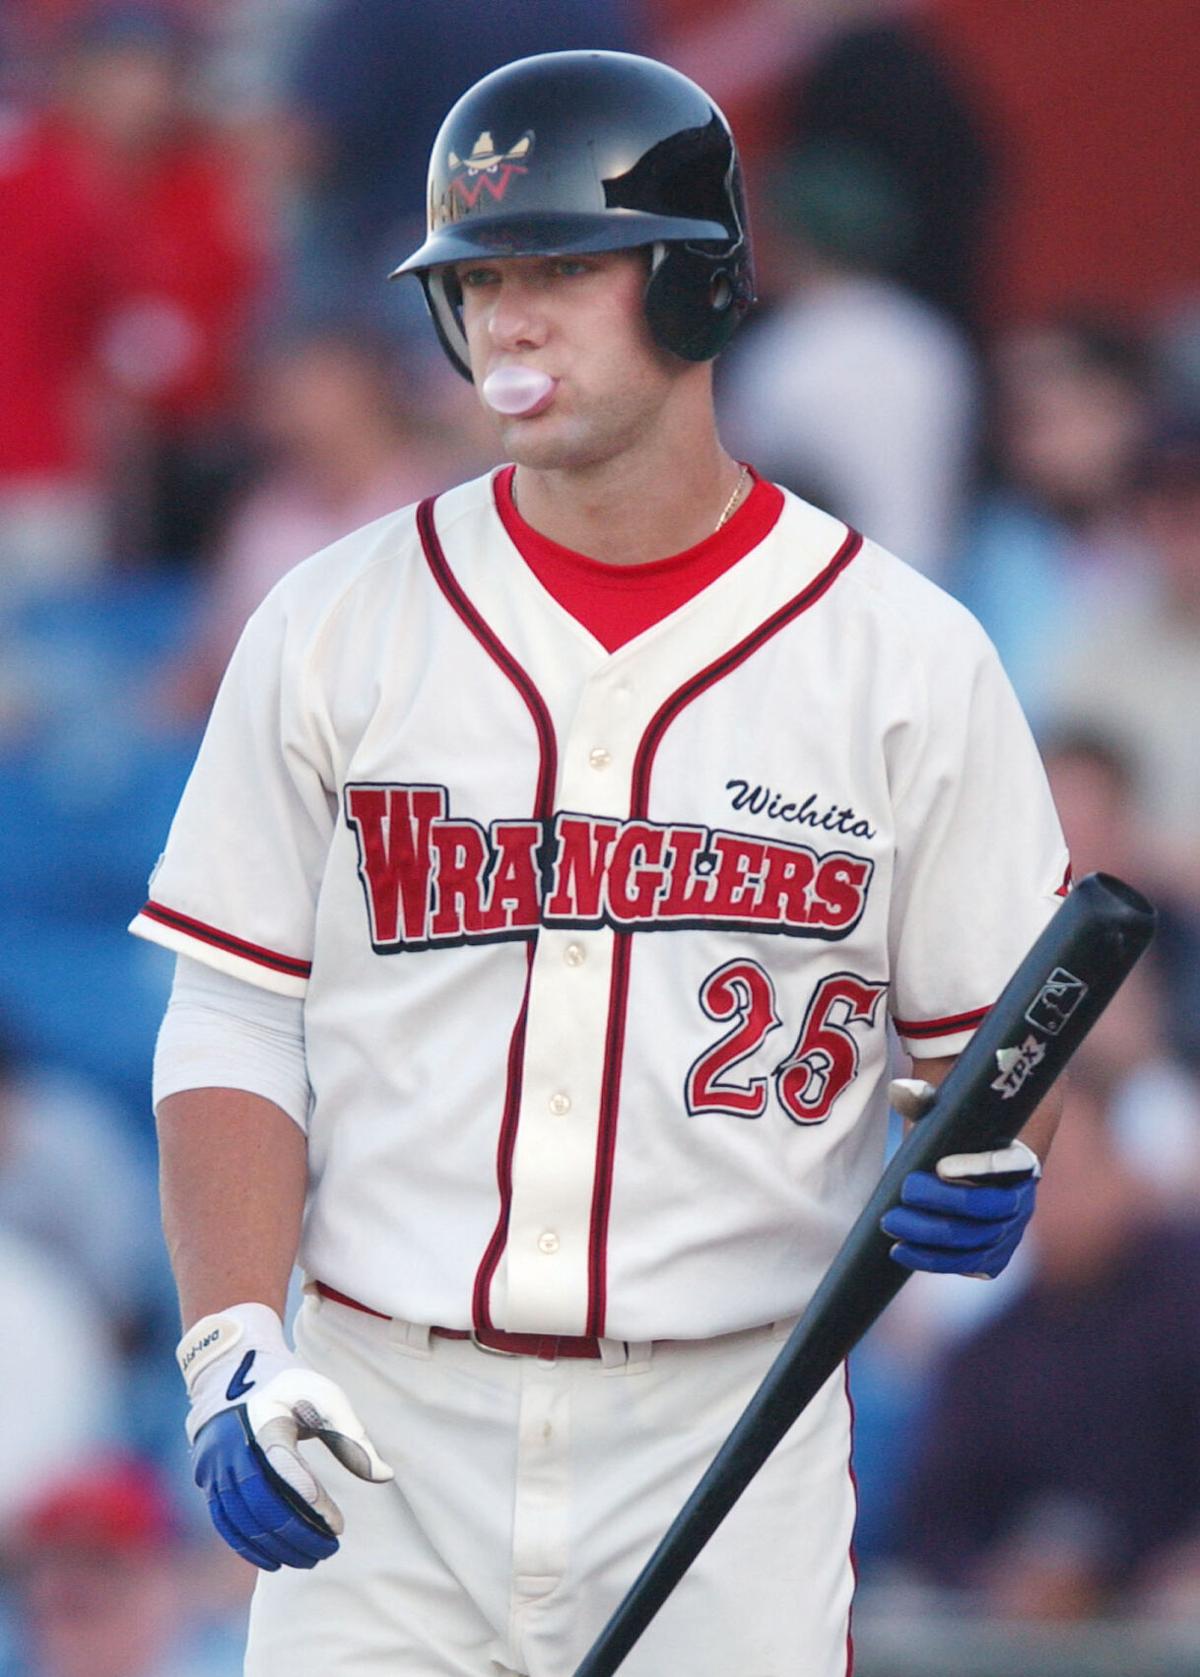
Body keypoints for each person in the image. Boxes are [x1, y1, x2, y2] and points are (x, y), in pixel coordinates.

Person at [132, 50, 1070, 1677]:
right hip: (385, 1428)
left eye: (562, 266)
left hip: (730, 1422)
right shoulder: (335, 624)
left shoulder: (904, 657)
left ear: (698, 288)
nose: (509, 316)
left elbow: (991, 1055)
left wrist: (991, 1154)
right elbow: (231, 1018)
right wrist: (232, 1345)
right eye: (480, 278)